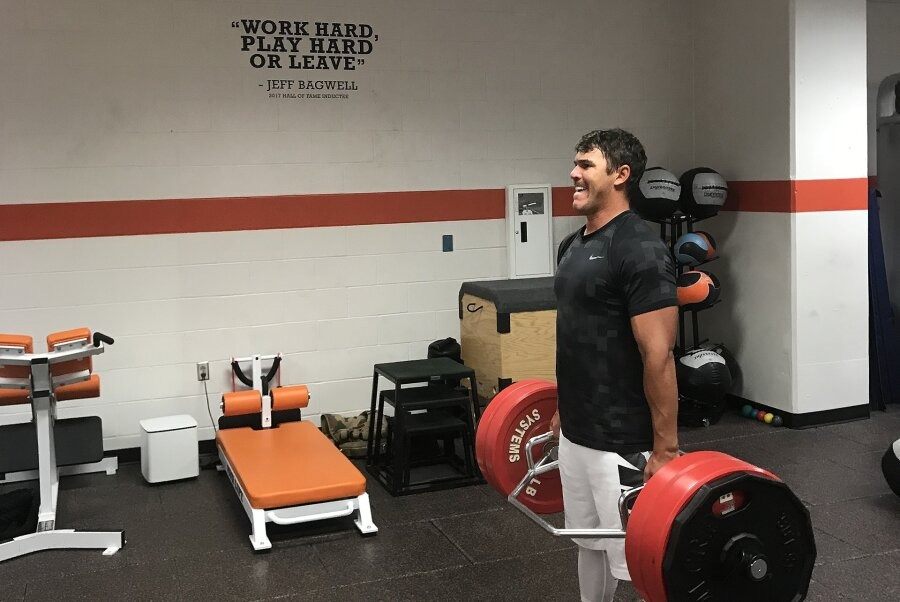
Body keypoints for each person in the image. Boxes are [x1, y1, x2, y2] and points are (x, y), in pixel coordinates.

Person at [552, 129, 680, 602]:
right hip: (578, 433)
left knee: (639, 561)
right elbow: (575, 335)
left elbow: (658, 354)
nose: (574, 173)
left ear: (621, 175)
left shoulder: (639, 248)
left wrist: (665, 448)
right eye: (575, 163)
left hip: (623, 441)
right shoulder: (572, 246)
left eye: (586, 164)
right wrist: (565, 408)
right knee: (587, 543)